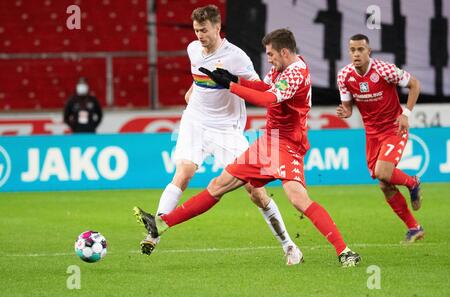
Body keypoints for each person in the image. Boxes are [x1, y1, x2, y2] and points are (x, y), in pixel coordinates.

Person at [134, 28, 361, 267]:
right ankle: (162, 223)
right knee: (218, 185)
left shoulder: (297, 73)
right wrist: (234, 80)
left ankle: (344, 251)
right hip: (269, 141)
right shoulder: (280, 69)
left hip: (288, 144)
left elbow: (267, 100)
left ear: (284, 52)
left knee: (298, 199)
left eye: (271, 54)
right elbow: (264, 89)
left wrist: (232, 87)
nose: (269, 59)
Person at [141, 5, 302, 265]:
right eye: (196, 30)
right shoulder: (193, 49)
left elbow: (261, 87)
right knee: (183, 172)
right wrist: (193, 89)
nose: (200, 36)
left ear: (217, 28)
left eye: (204, 30)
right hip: (195, 120)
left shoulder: (237, 57)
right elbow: (200, 75)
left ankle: (289, 245)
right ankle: (155, 232)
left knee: (254, 190)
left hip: (226, 128)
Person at [336, 34, 423, 243]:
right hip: (372, 135)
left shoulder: (385, 70)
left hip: (394, 128)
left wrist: (406, 114)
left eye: (360, 50)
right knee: (384, 184)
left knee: (383, 172)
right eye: (352, 50)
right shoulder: (344, 76)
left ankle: (412, 183)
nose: (356, 54)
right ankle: (414, 228)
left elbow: (415, 85)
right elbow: (347, 106)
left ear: (369, 51)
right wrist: (346, 112)